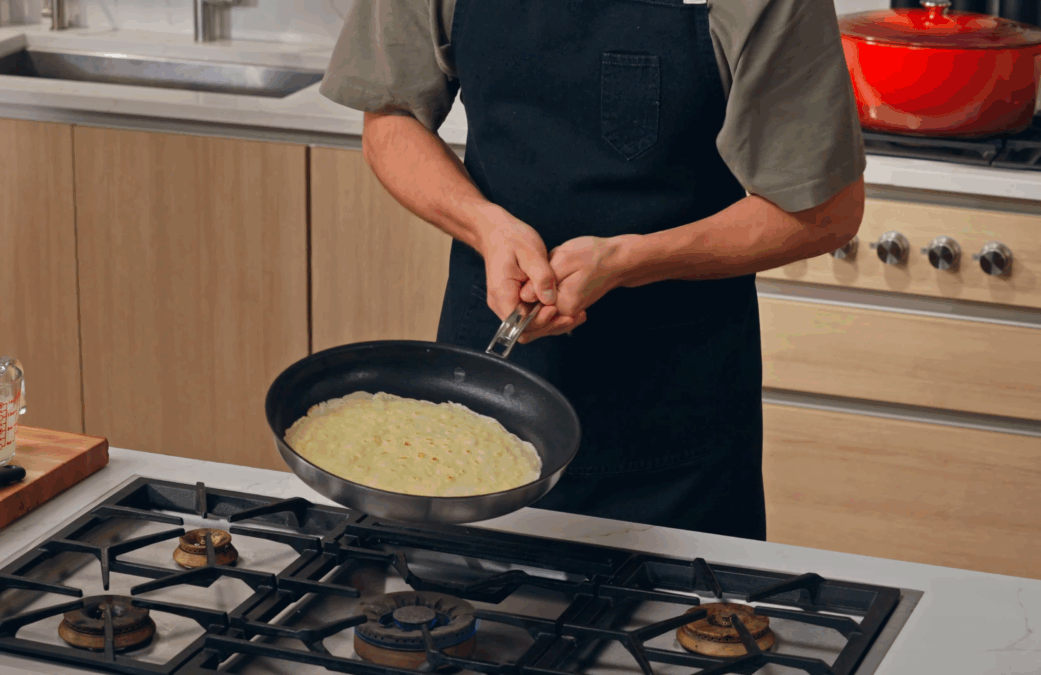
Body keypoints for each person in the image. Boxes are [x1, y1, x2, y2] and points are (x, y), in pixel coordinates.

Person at [318, 0, 866, 540]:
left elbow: (824, 213)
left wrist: (631, 261)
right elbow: (390, 120)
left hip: (677, 429)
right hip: (481, 401)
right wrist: (486, 226)